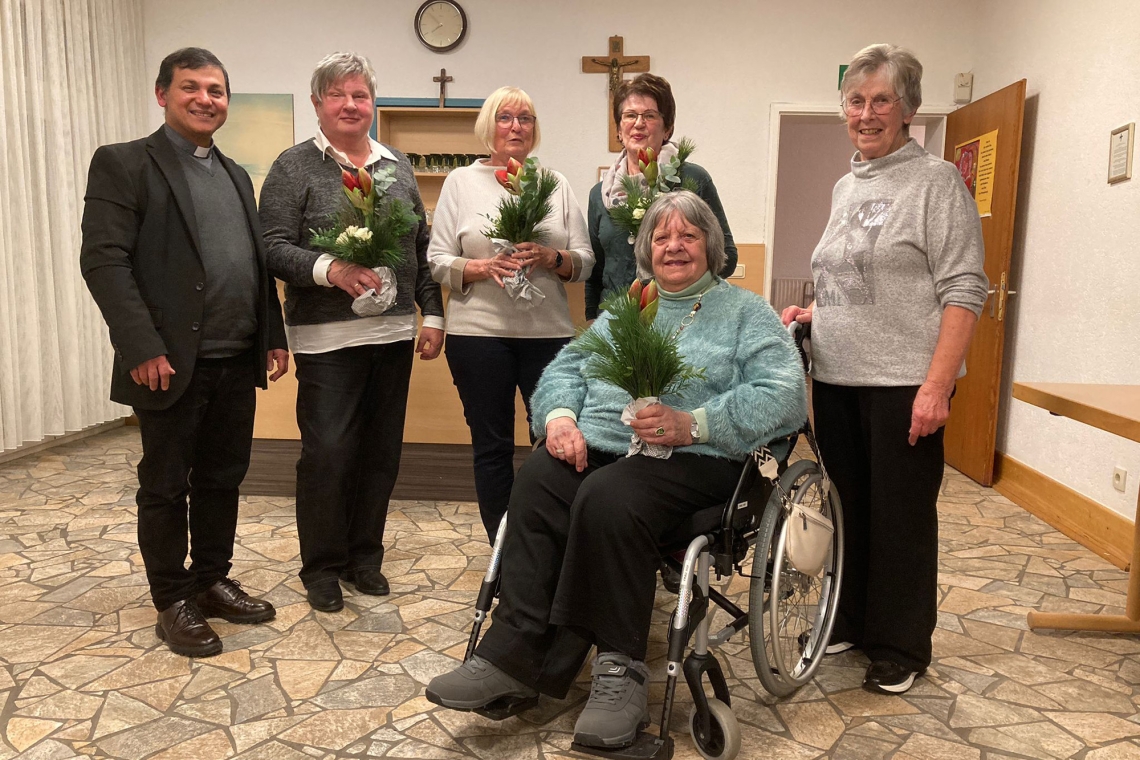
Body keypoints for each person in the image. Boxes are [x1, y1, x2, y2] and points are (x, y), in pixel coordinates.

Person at [427, 191, 806, 749]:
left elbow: (785, 395)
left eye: (689, 236)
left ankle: (619, 671)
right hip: (605, 450)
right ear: (646, 252)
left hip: (695, 459)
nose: (674, 246)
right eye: (661, 238)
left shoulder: (745, 313)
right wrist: (558, 419)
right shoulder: (629, 311)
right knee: (536, 480)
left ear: (711, 246)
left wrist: (694, 422)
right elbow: (564, 372)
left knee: (609, 496)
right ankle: (512, 654)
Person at [781, 43, 988, 695]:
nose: (866, 113)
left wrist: (937, 385)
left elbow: (964, 288)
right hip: (836, 380)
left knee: (901, 517)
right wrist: (817, 314)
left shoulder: (935, 182)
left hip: (903, 384)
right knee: (849, 510)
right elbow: (861, 277)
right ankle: (852, 620)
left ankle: (900, 645)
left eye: (881, 100)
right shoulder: (848, 185)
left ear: (907, 109)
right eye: (855, 101)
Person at [80, 48, 289, 657]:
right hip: (166, 362)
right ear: (162, 93)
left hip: (234, 357)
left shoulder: (234, 173)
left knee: (224, 478)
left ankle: (211, 578)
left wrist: (271, 334)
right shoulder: (123, 164)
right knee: (166, 483)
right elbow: (103, 261)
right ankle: (172, 597)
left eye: (217, 90)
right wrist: (140, 344)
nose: (205, 99)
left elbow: (252, 265)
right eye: (191, 87)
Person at [260, 52, 445, 613]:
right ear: (317, 104)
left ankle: (365, 558)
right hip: (327, 341)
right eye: (337, 95)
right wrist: (332, 269)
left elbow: (419, 248)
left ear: (372, 104)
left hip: (391, 336)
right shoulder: (292, 168)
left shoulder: (398, 167)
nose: (350, 104)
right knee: (329, 453)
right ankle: (322, 566)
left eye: (359, 95)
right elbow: (271, 245)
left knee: (380, 454)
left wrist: (431, 314)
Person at [427, 87, 593, 543]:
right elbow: (438, 259)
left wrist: (550, 257)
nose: (516, 126)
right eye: (505, 117)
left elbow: (584, 260)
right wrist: (482, 267)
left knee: (552, 441)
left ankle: (545, 540)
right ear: (489, 126)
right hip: (478, 336)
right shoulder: (460, 182)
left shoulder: (555, 183)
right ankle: (503, 549)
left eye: (525, 118)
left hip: (549, 335)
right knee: (492, 447)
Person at [586, 73, 737, 321]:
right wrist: (593, 319)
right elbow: (596, 270)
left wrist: (681, 277)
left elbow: (727, 255)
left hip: (682, 319)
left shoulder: (693, 180)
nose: (638, 123)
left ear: (667, 128)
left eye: (650, 115)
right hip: (615, 322)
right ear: (618, 130)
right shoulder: (599, 195)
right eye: (630, 115)